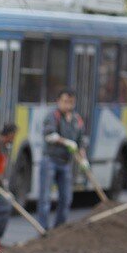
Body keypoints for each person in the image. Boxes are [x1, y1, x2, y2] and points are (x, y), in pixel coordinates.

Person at [37, 88, 88, 230]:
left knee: (66, 199)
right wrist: (66, 142)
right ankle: (43, 230)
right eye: (65, 102)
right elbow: (50, 135)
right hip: (50, 160)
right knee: (45, 198)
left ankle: (59, 229)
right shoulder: (52, 116)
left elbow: (80, 142)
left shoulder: (77, 120)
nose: (68, 105)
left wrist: (84, 160)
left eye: (71, 102)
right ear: (58, 101)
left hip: (66, 163)